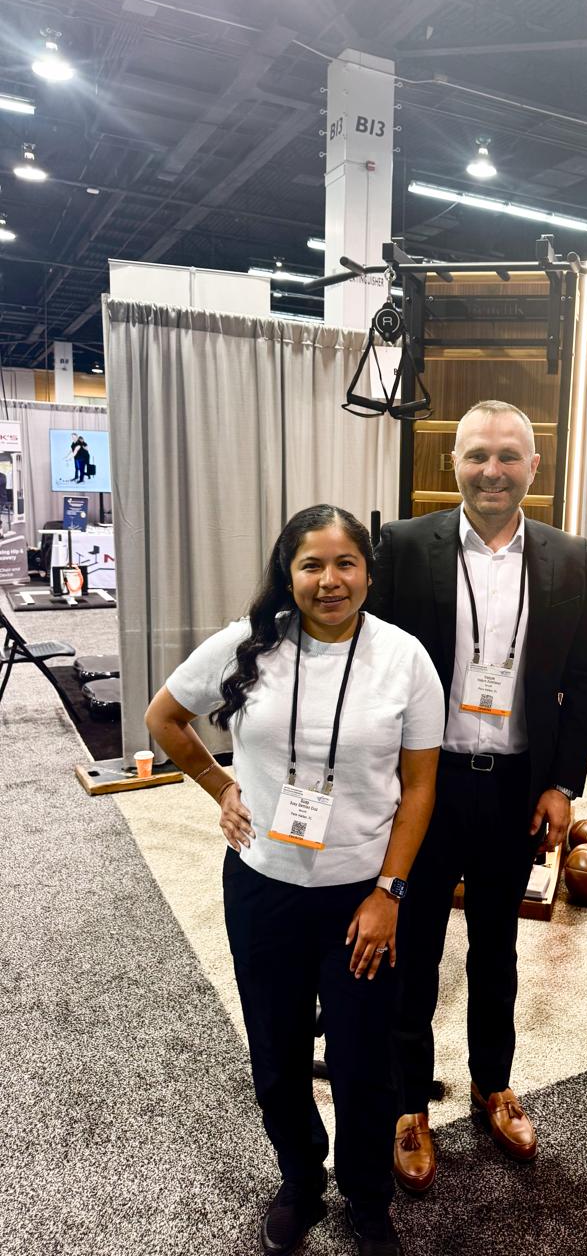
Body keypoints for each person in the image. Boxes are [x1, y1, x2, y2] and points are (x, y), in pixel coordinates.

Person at [144, 504, 444, 1256]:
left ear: (368, 573)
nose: (329, 580)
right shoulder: (249, 645)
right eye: (312, 564)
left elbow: (419, 788)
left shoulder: (404, 658)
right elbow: (165, 718)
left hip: (362, 897)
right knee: (277, 1054)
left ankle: (368, 1197)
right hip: (264, 888)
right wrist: (221, 786)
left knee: (362, 1060)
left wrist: (390, 893)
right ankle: (301, 1181)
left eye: (346, 563)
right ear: (288, 573)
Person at [367, 400, 587, 1192]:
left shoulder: (569, 556)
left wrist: (563, 784)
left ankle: (492, 1085)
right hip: (424, 791)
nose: (491, 471)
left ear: (534, 466)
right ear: (454, 463)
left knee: (498, 949)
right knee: (414, 950)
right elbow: (374, 666)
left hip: (515, 792)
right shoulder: (405, 546)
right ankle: (408, 1104)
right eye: (477, 456)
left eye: (507, 456)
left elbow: (583, 682)